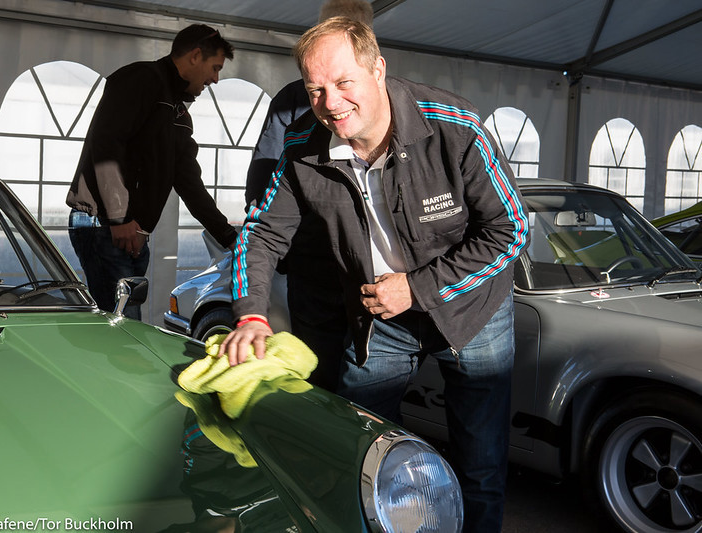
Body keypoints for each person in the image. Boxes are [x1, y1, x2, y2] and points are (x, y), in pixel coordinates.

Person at [222, 17, 529, 533]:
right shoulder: (302, 146)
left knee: (480, 464)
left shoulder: (455, 127)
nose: (330, 103)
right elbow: (263, 233)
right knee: (357, 443)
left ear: (378, 69)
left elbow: (511, 230)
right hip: (381, 317)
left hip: (473, 313)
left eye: (344, 82)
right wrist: (251, 313)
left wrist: (418, 288)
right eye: (315, 89)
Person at [244, 0, 374, 392]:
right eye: (318, 90)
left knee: (318, 372)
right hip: (371, 271)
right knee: (371, 380)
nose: (330, 102)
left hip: (315, 262)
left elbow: (263, 183)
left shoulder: (293, 97)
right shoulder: (377, 93)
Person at [67, 24, 238, 319]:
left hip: (130, 232)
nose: (216, 79)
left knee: (127, 324)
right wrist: (119, 217)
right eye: (215, 68)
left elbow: (189, 182)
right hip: (105, 224)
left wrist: (230, 237)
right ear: (195, 56)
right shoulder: (140, 79)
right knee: (121, 328)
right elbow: (106, 145)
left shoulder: (178, 113)